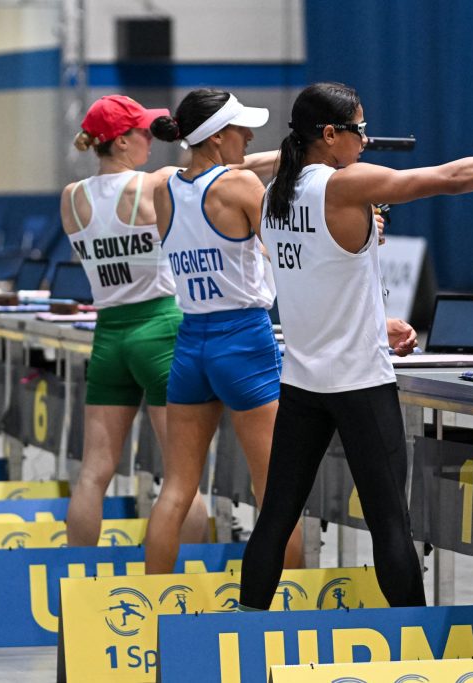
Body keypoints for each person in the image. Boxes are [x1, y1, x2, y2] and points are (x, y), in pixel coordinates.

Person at [239, 82, 473, 609]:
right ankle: (414, 644)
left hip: (302, 384)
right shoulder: (343, 186)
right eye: (359, 129)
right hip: (359, 385)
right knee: (390, 524)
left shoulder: (273, 191)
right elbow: (448, 178)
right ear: (329, 135)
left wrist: (378, 320)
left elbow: (319, 275)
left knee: (275, 519)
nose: (366, 140)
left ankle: (241, 631)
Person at [61, 94, 277, 547]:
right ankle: (188, 569)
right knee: (182, 478)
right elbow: (219, 171)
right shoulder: (154, 185)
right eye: (141, 132)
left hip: (109, 334)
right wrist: (292, 156)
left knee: (93, 472)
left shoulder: (71, 197)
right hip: (160, 328)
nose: (149, 139)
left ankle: (75, 574)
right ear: (121, 142)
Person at [142, 89, 304, 573]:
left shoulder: (163, 189)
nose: (249, 136)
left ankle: (151, 603)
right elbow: (288, 253)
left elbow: (205, 175)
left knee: (176, 489)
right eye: (240, 128)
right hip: (244, 342)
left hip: (191, 343)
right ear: (216, 136)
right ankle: (291, 605)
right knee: (275, 492)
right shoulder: (241, 187)